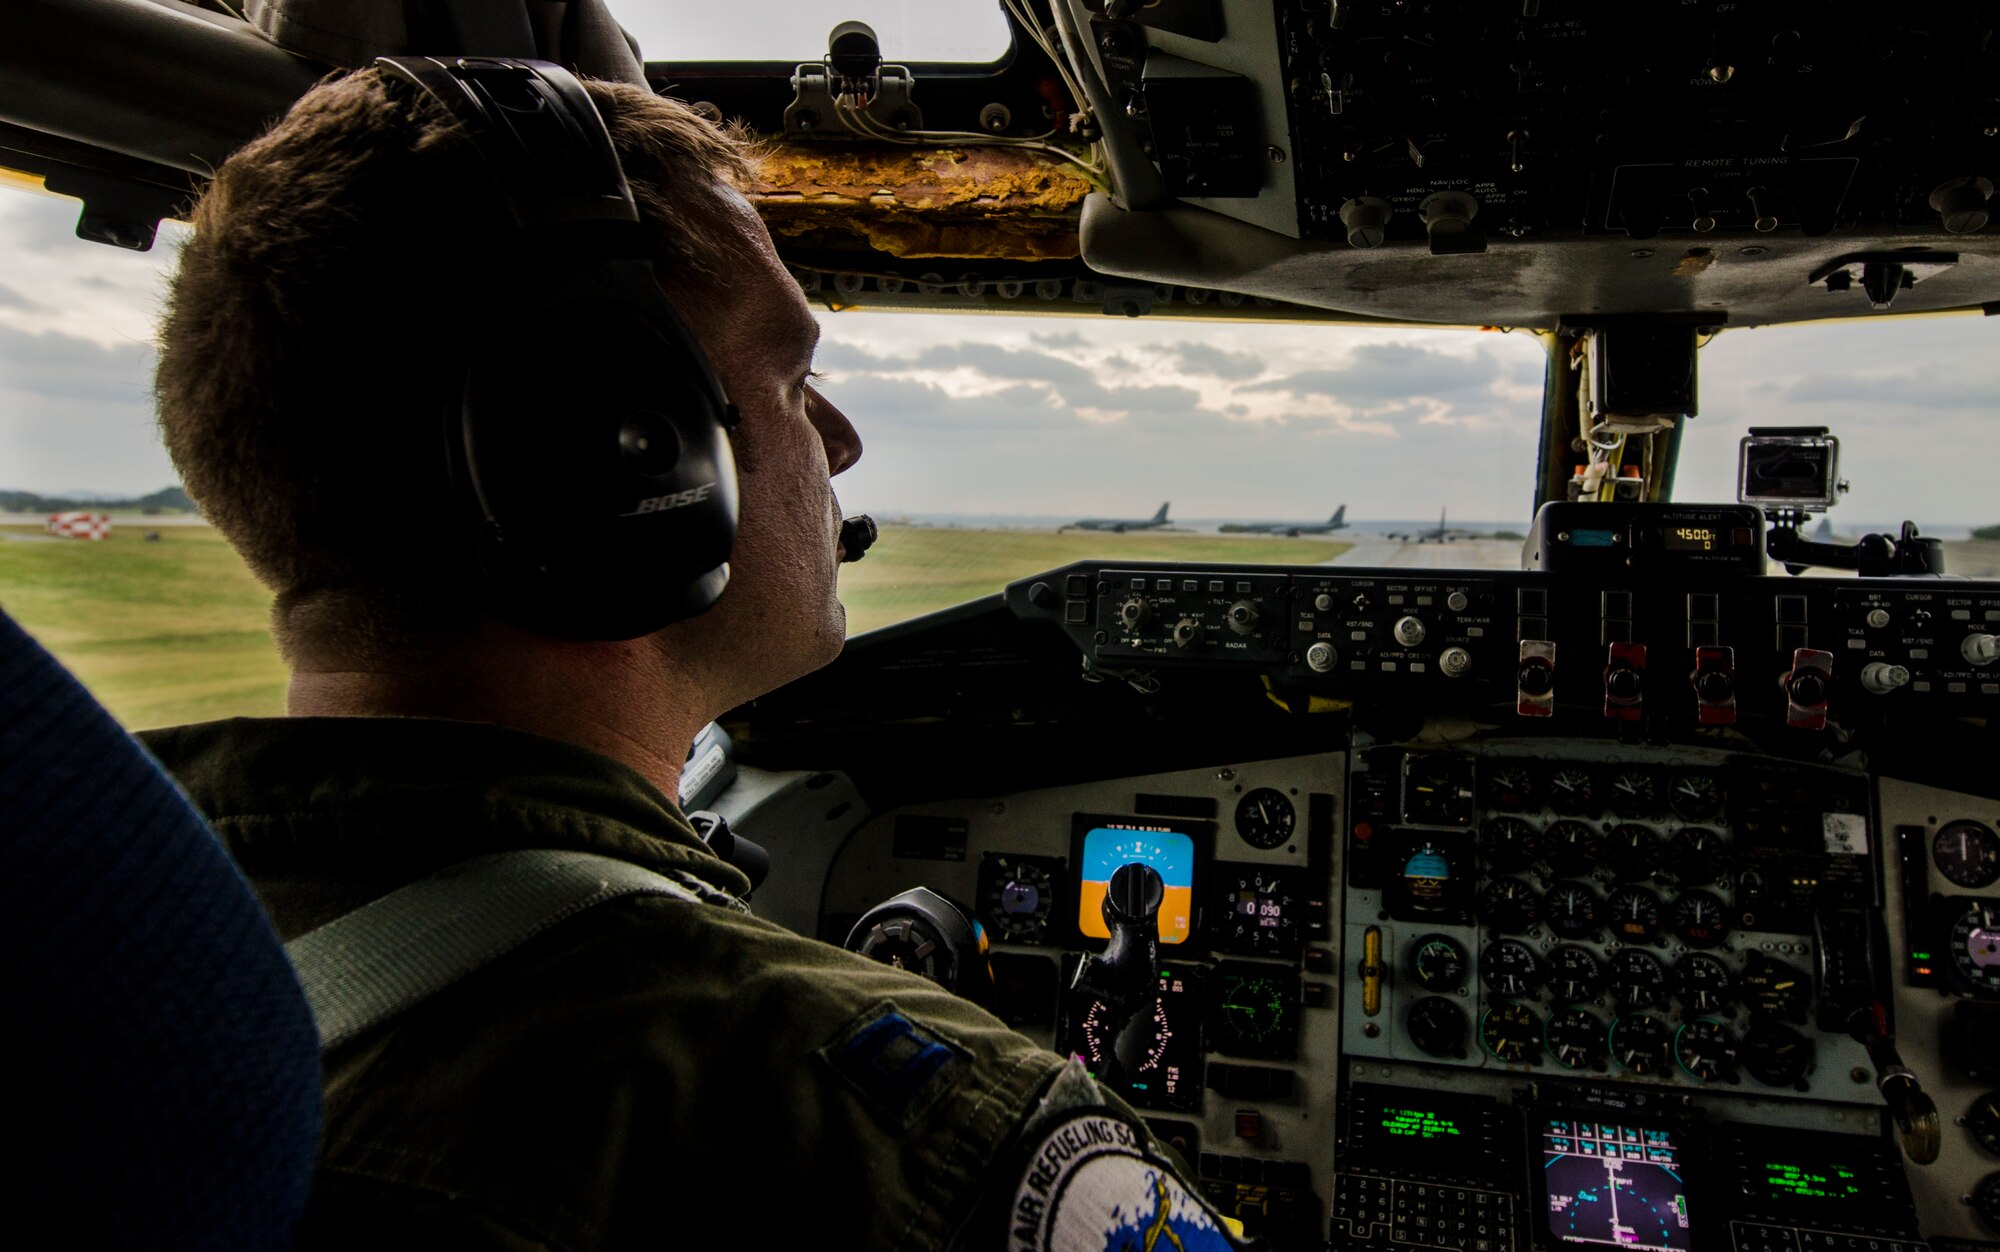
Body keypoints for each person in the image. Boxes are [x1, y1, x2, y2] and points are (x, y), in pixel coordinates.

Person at [144, 63, 1240, 1250]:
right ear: (630, 456)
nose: (841, 439)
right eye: (792, 377)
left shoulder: (76, 930)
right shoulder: (900, 1135)